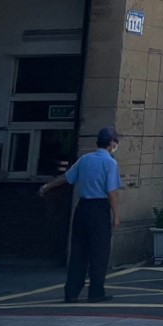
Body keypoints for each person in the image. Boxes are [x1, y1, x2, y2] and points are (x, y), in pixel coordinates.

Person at [39, 127, 123, 303]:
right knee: (99, 253)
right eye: (115, 142)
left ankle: (71, 293)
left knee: (78, 251)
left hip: (82, 207)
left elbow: (66, 178)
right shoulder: (110, 163)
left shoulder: (84, 159)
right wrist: (116, 215)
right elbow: (111, 192)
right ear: (112, 143)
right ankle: (96, 292)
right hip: (100, 209)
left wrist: (47, 186)